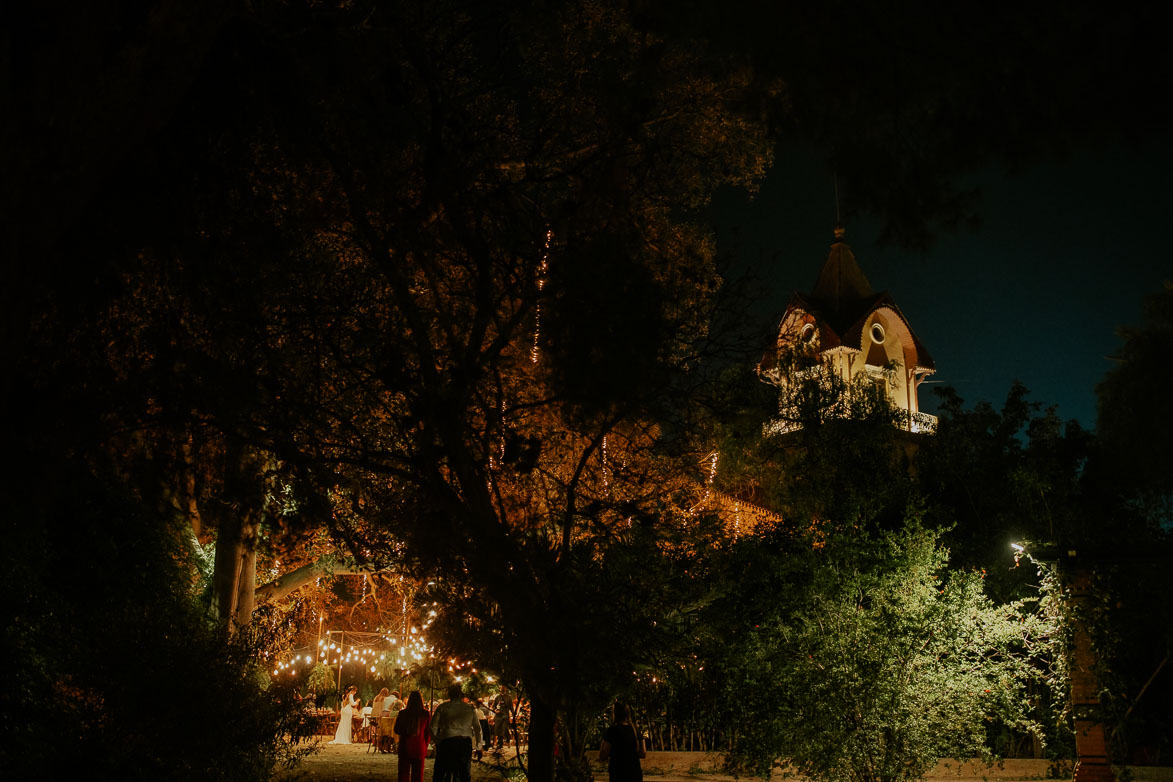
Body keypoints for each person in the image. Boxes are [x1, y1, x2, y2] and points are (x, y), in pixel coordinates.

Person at [430, 683, 482, 782]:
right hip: (464, 743)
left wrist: (436, 740)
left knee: (441, 772)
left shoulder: (443, 707)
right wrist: (479, 746)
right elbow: (477, 728)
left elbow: (433, 726)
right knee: (464, 773)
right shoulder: (469, 708)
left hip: (447, 741)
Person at [598, 702, 645, 782]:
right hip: (635, 772)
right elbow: (643, 753)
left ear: (614, 714)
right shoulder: (635, 730)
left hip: (618, 773)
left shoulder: (612, 731)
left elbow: (602, 755)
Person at [394, 690, 431, 782]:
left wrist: (406, 731)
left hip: (405, 747)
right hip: (419, 746)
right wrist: (425, 745)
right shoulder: (425, 714)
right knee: (418, 775)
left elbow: (397, 729)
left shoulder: (403, 713)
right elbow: (428, 733)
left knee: (403, 774)